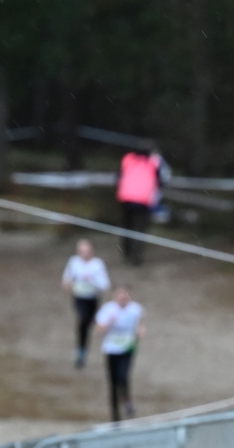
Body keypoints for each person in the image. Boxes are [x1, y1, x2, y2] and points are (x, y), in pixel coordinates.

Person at [95, 285, 145, 421]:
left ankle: (127, 400)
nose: (122, 298)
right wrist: (108, 323)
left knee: (123, 376)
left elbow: (140, 324)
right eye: (120, 295)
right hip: (111, 349)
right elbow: (99, 330)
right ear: (115, 296)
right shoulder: (108, 310)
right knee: (113, 382)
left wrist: (140, 331)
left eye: (125, 295)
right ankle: (115, 413)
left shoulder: (135, 309)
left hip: (128, 347)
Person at [61, 238, 112, 368]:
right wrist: (69, 284)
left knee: (96, 323)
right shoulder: (73, 262)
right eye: (81, 251)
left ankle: (109, 350)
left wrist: (92, 279)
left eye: (86, 251)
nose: (84, 254)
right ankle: (81, 352)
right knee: (83, 320)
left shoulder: (98, 264)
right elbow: (66, 280)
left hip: (93, 298)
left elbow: (105, 285)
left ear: (92, 251)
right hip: (79, 298)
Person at [115, 144, 169, 264]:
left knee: (127, 226)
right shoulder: (153, 162)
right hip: (143, 200)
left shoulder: (128, 159)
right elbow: (161, 181)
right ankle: (136, 255)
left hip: (126, 198)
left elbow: (119, 176)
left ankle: (126, 251)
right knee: (140, 229)